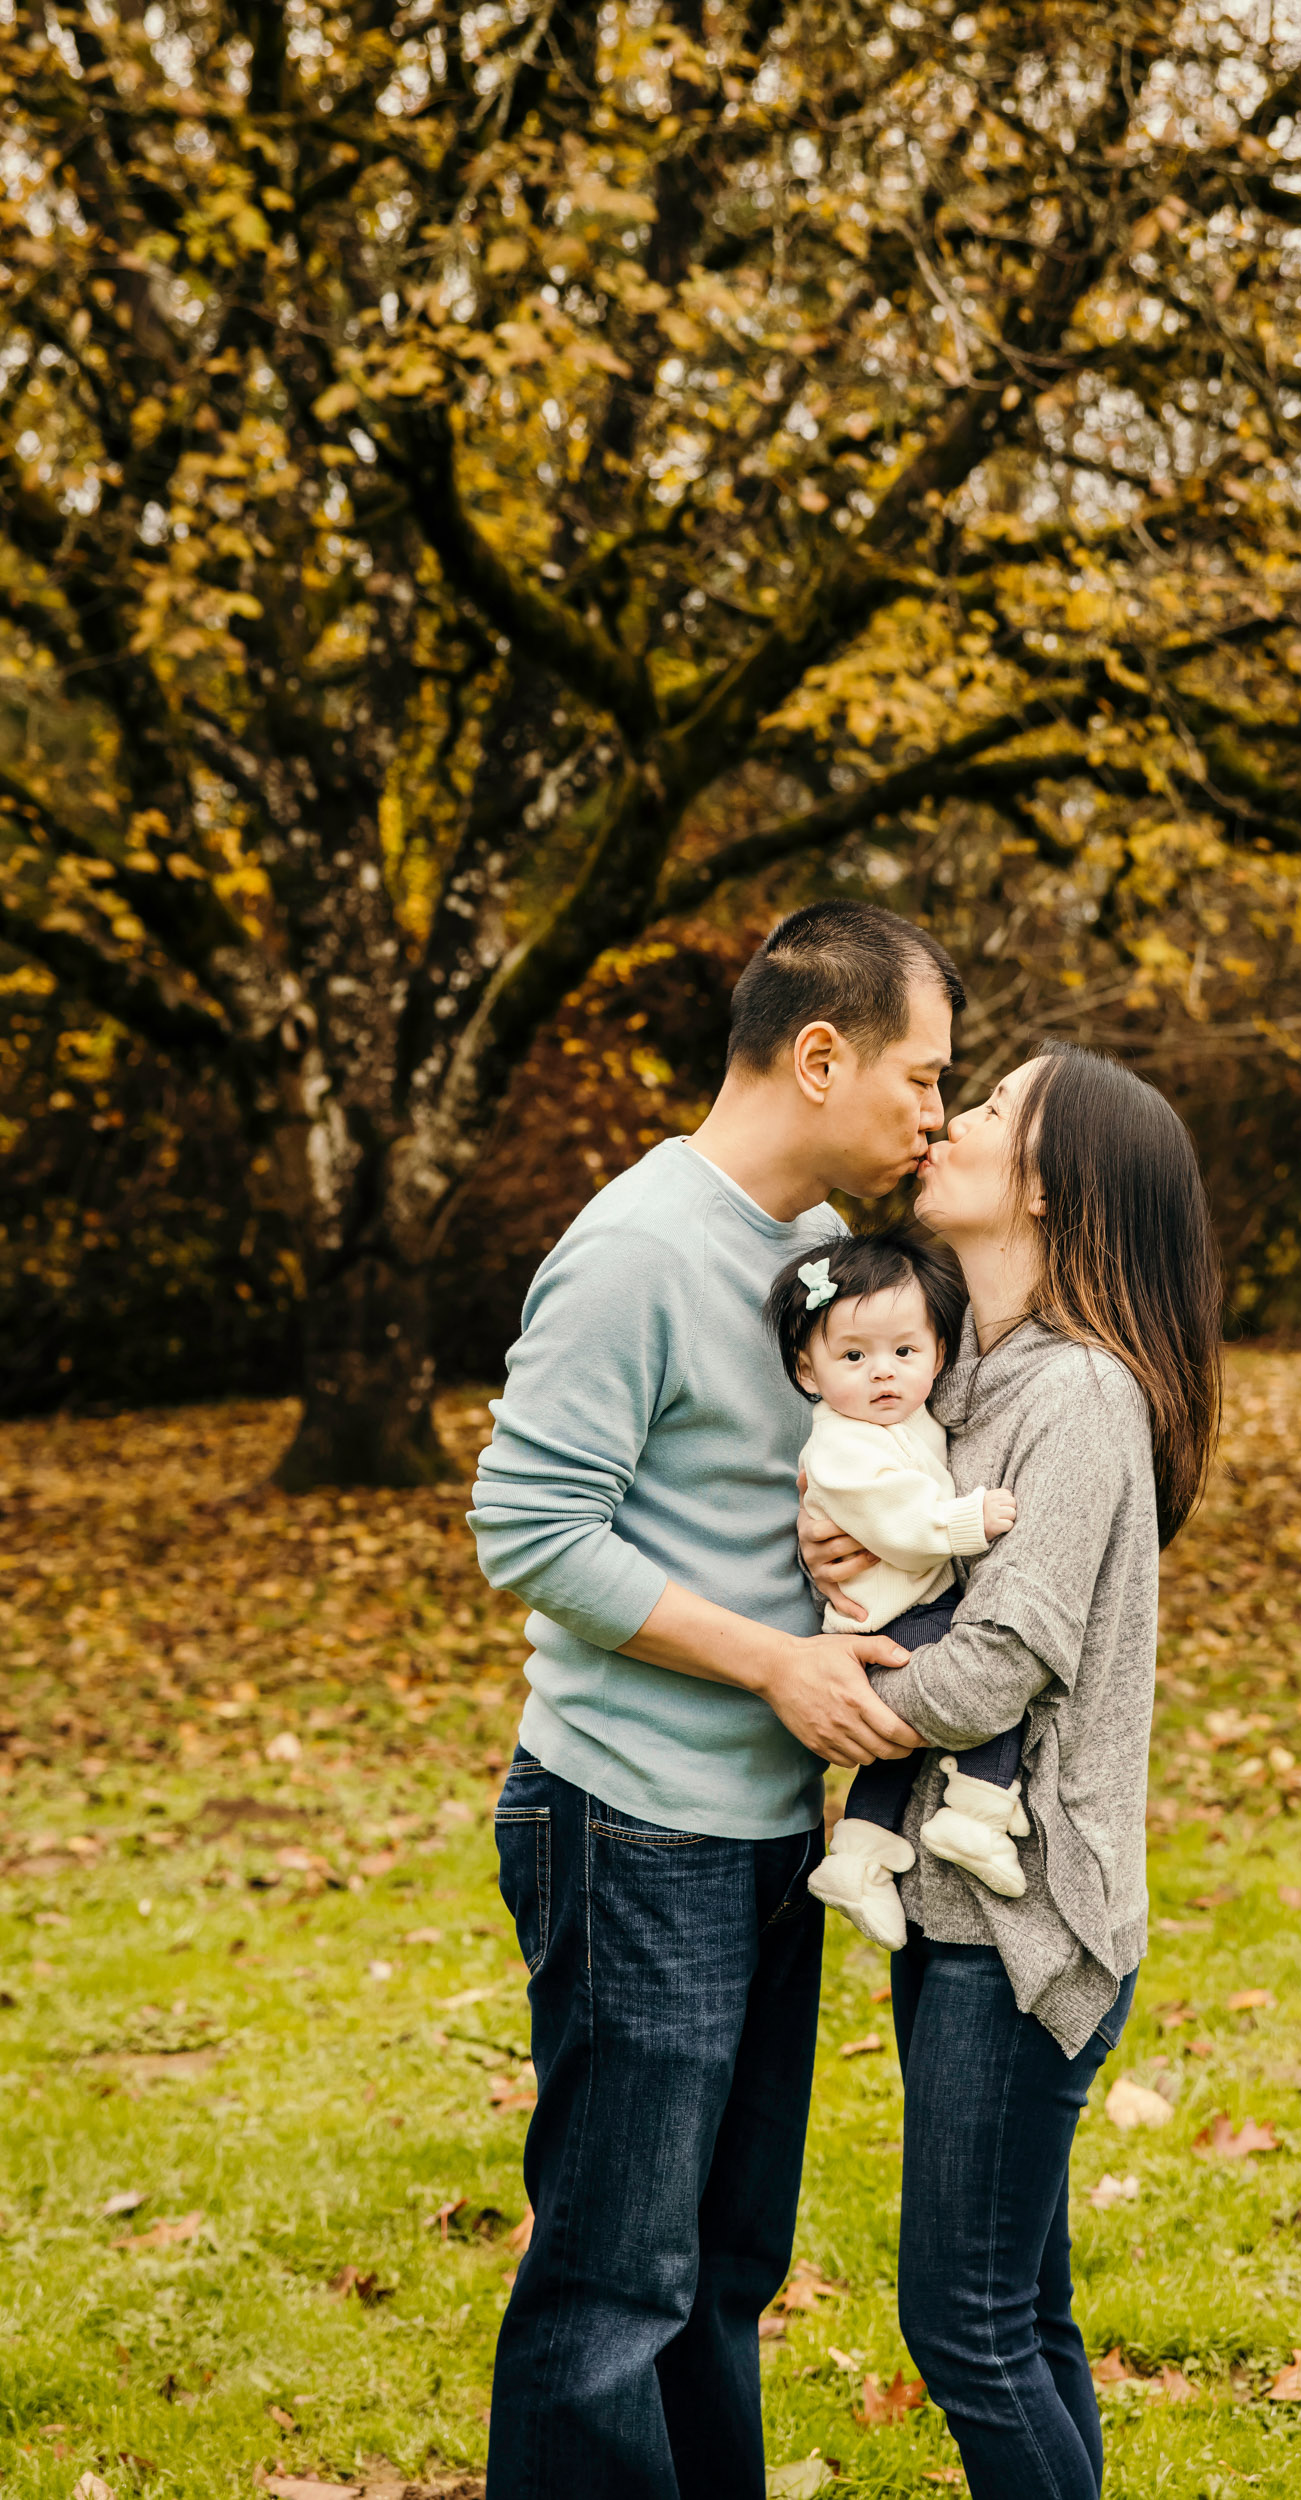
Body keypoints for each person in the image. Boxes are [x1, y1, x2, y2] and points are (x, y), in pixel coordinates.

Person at [468, 900, 963, 2500]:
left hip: (760, 1829)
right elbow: (528, 1529)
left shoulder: (818, 1262)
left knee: (725, 2269)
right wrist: (774, 1661)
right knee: (616, 2286)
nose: (939, 1117)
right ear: (821, 1055)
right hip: (628, 1825)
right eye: (925, 1079)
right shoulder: (634, 1248)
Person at [802, 1044, 1222, 2500]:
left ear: (1046, 1180)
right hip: (958, 1907)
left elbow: (994, 1667)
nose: (949, 1120)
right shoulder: (962, 1372)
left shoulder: (1081, 1395)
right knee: (1021, 2315)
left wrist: (820, 1691)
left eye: (985, 1111)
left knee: (964, 2326)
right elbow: (914, 1561)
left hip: (1026, 1924)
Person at [762, 1227, 1030, 1952]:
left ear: (937, 1354)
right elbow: (897, 1519)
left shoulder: (906, 1418)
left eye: (904, 1353)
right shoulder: (841, 1444)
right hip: (886, 1617)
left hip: (903, 1606)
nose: (882, 1373)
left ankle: (856, 1860)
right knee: (987, 1688)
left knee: (898, 1754)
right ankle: (974, 1814)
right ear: (808, 1371)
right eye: (854, 1356)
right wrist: (965, 1521)